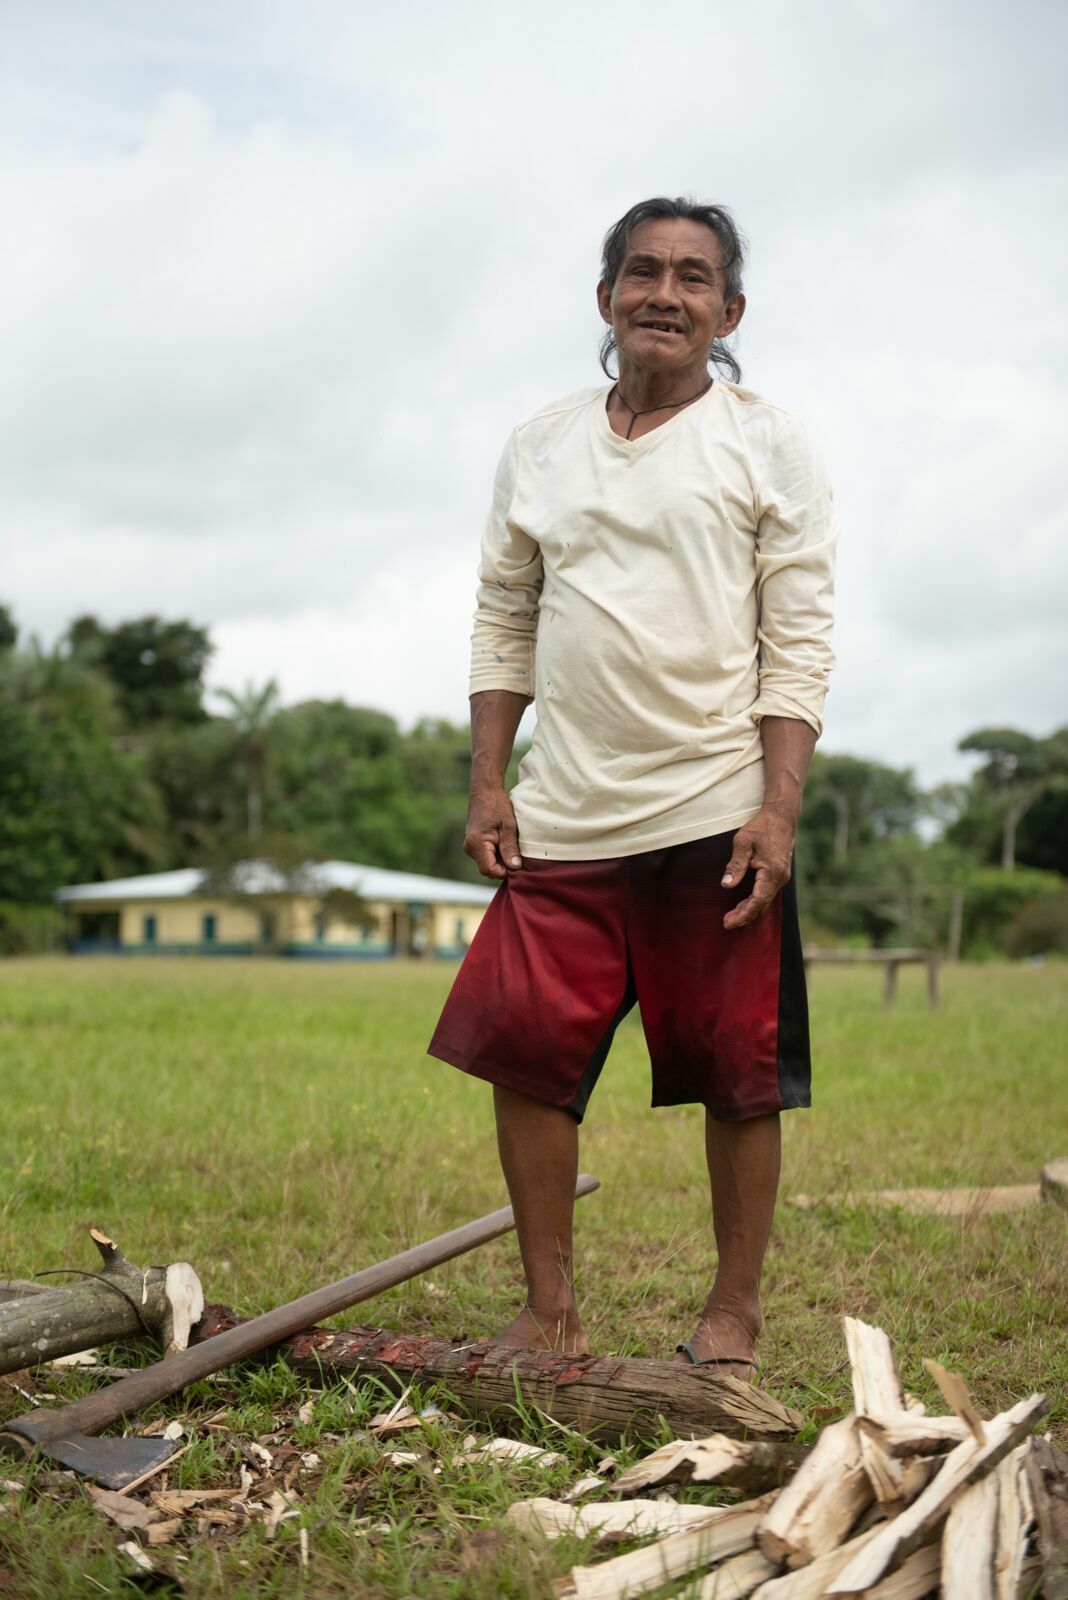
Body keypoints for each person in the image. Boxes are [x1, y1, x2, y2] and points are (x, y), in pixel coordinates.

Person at [428, 196, 837, 1379]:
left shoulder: (771, 444)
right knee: (523, 1055)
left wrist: (777, 809)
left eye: (693, 277)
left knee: (739, 1075)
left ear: (730, 310)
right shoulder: (541, 444)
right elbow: (504, 615)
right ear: (605, 295)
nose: (665, 293)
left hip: (715, 811)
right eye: (643, 271)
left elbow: (799, 640)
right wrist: (489, 781)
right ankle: (550, 1310)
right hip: (561, 814)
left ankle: (734, 1316)